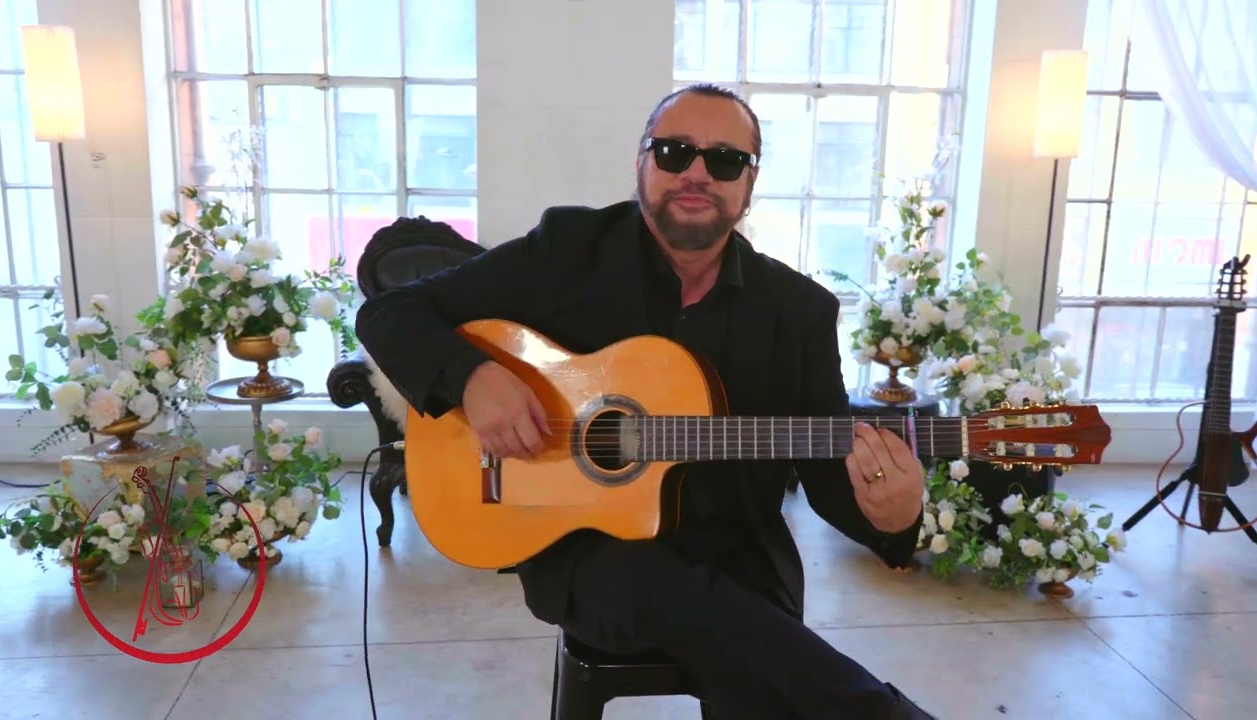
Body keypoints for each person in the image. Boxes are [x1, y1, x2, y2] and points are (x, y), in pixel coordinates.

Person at [356, 83, 937, 720]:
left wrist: (894, 515)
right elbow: (390, 313)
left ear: (749, 184)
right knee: (693, 605)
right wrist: (472, 378)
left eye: (725, 160)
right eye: (674, 152)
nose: (696, 173)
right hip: (588, 549)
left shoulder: (798, 311)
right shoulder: (566, 249)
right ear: (641, 163)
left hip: (739, 551)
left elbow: (829, 469)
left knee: (748, 644)